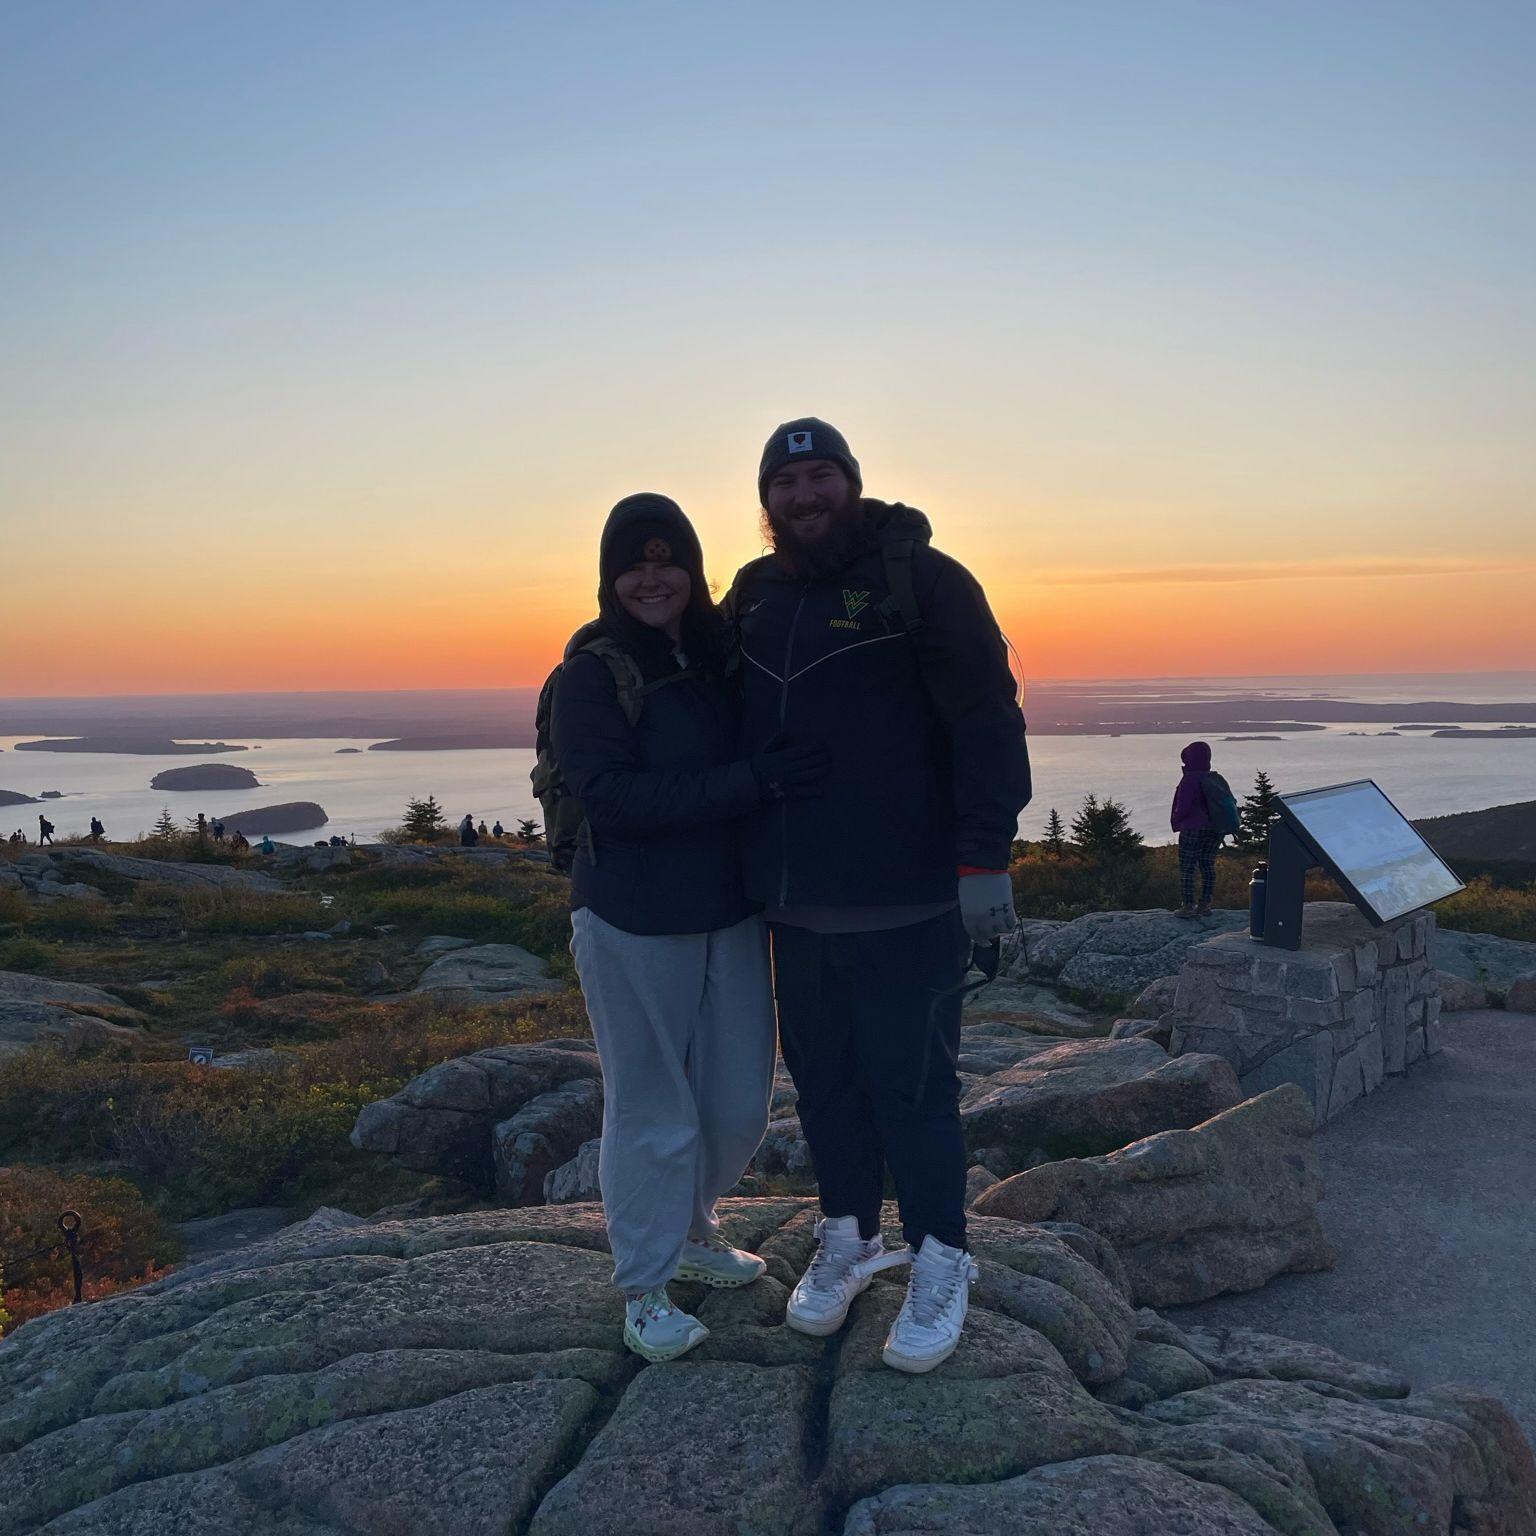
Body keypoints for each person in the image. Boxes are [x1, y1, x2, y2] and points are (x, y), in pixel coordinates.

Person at [727, 418, 1031, 1374]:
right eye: (787, 482)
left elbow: (987, 721)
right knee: (825, 1088)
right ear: (767, 501)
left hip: (909, 898)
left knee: (913, 1090)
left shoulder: (925, 582)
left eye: (822, 476)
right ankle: (851, 1234)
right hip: (797, 904)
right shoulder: (754, 595)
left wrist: (984, 865)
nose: (805, 496)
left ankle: (943, 1255)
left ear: (850, 484)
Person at [551, 492, 827, 1364]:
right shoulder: (591, 673)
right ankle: (644, 1286)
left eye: (668, 560)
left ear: (693, 569)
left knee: (739, 1102)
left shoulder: (716, 656)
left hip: (727, 909)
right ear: (611, 576)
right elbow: (612, 796)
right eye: (634, 562)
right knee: (652, 1104)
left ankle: (695, 1227)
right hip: (631, 915)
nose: (652, 576)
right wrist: (752, 783)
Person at [1170, 740, 1233, 918]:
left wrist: (1176, 819)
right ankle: (1205, 905)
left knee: (1187, 867)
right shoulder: (1214, 778)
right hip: (1215, 829)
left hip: (1193, 828)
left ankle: (1188, 906)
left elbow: (1183, 807)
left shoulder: (1190, 779)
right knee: (1207, 865)